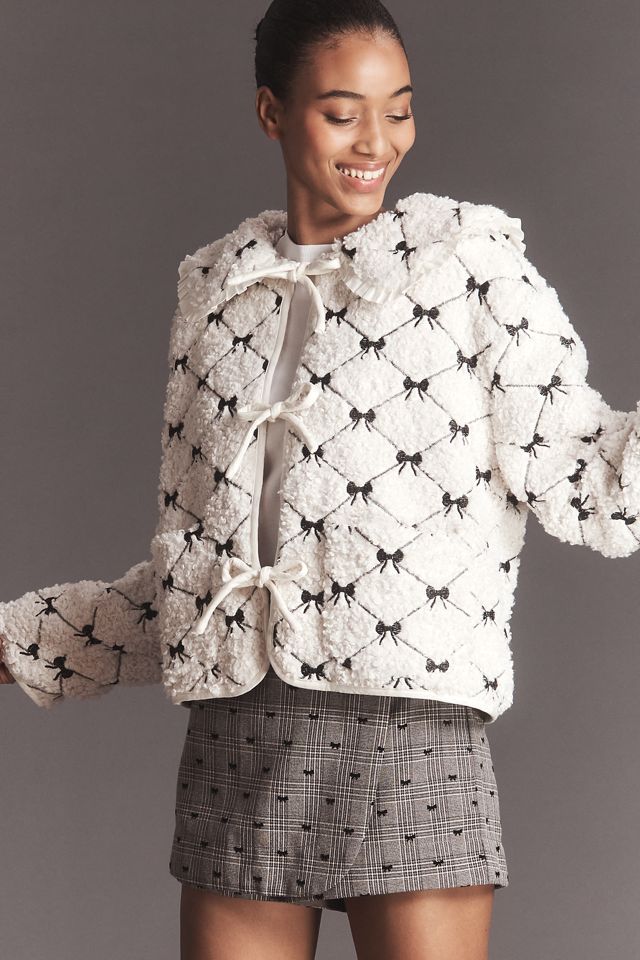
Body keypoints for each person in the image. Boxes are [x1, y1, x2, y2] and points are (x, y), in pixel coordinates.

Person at [3, 2, 640, 959]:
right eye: (342, 113)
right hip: (238, 738)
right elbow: (198, 582)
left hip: (412, 732)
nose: (376, 141)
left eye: (399, 109)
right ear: (272, 111)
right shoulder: (216, 296)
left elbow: (591, 478)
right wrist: (25, 642)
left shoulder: (468, 268)